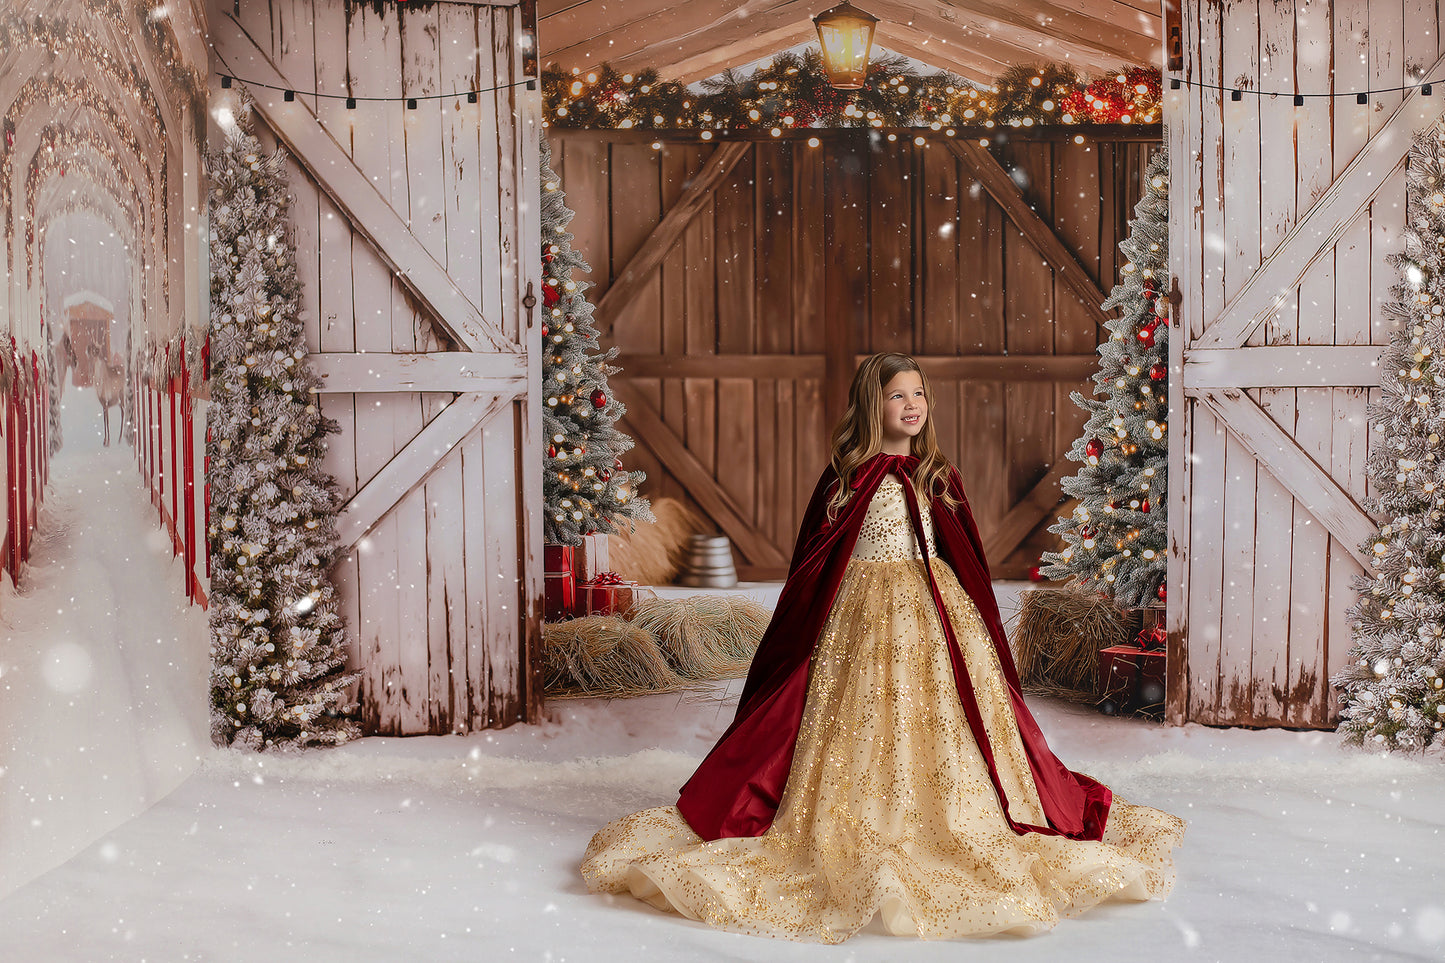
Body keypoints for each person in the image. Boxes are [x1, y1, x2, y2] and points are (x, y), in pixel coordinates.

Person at [581, 352, 1184, 942]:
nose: (912, 405)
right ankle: (860, 819)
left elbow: (959, 552)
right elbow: (815, 560)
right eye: (898, 395)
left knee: (944, 713)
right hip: (860, 614)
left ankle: (949, 813)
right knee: (859, 715)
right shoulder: (847, 476)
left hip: (934, 609)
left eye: (919, 393)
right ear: (872, 404)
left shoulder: (936, 475)